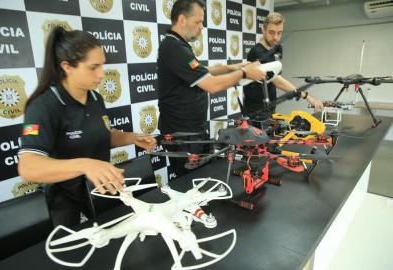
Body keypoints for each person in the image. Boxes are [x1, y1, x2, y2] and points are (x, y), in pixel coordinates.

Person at [17, 27, 156, 227]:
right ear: (68, 67)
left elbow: (101, 135)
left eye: (102, 66)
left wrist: (132, 138)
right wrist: (85, 164)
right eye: (93, 67)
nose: (101, 74)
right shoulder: (43, 106)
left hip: (99, 189)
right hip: (63, 200)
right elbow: (28, 167)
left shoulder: (95, 98)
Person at [157, 0, 266, 174]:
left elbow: (203, 71)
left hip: (194, 132)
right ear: (182, 20)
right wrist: (244, 74)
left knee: (206, 178)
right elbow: (212, 85)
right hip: (183, 137)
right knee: (192, 185)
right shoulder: (173, 47)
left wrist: (235, 67)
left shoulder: (179, 45)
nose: (202, 27)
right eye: (198, 22)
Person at [244, 12, 324, 120]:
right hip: (257, 112)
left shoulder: (272, 50)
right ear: (263, 30)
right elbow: (277, 81)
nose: (275, 37)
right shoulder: (257, 53)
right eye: (271, 32)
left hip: (268, 108)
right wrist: (308, 97)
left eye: (279, 33)